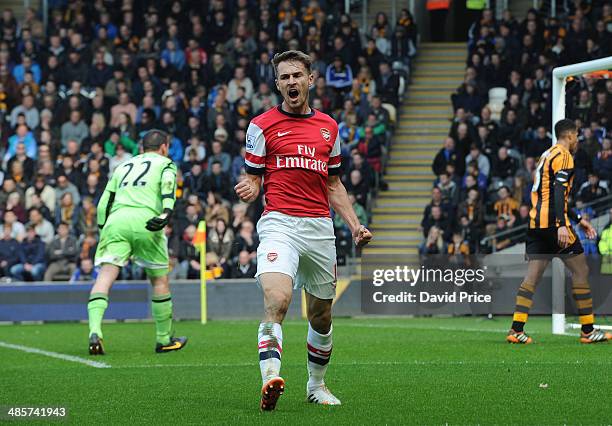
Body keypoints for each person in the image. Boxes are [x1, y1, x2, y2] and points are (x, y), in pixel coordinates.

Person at [234, 50, 372, 410]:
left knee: (321, 315)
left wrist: (355, 226)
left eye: (297, 75)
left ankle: (316, 385)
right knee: (277, 300)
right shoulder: (261, 126)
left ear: (311, 80)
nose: (291, 82)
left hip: (319, 228)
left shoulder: (329, 127)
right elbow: (252, 178)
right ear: (277, 83)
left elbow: (334, 185)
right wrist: (251, 187)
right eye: (284, 77)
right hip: (280, 223)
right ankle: (270, 379)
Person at [507, 119, 610, 345]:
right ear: (570, 136)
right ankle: (588, 330)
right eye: (577, 137)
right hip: (554, 225)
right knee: (581, 270)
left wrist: (579, 219)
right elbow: (558, 191)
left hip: (536, 225)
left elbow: (551, 194)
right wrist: (563, 224)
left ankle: (516, 329)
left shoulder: (546, 155)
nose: (577, 142)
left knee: (532, 277)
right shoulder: (564, 156)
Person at [87, 130, 187, 355]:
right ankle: (163, 339)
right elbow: (169, 185)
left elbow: (104, 202)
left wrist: (104, 229)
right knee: (159, 280)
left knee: (105, 277)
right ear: (164, 147)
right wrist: (167, 212)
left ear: (141, 148)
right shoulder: (165, 163)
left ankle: (95, 331)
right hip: (146, 220)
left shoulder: (123, 166)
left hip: (116, 221)